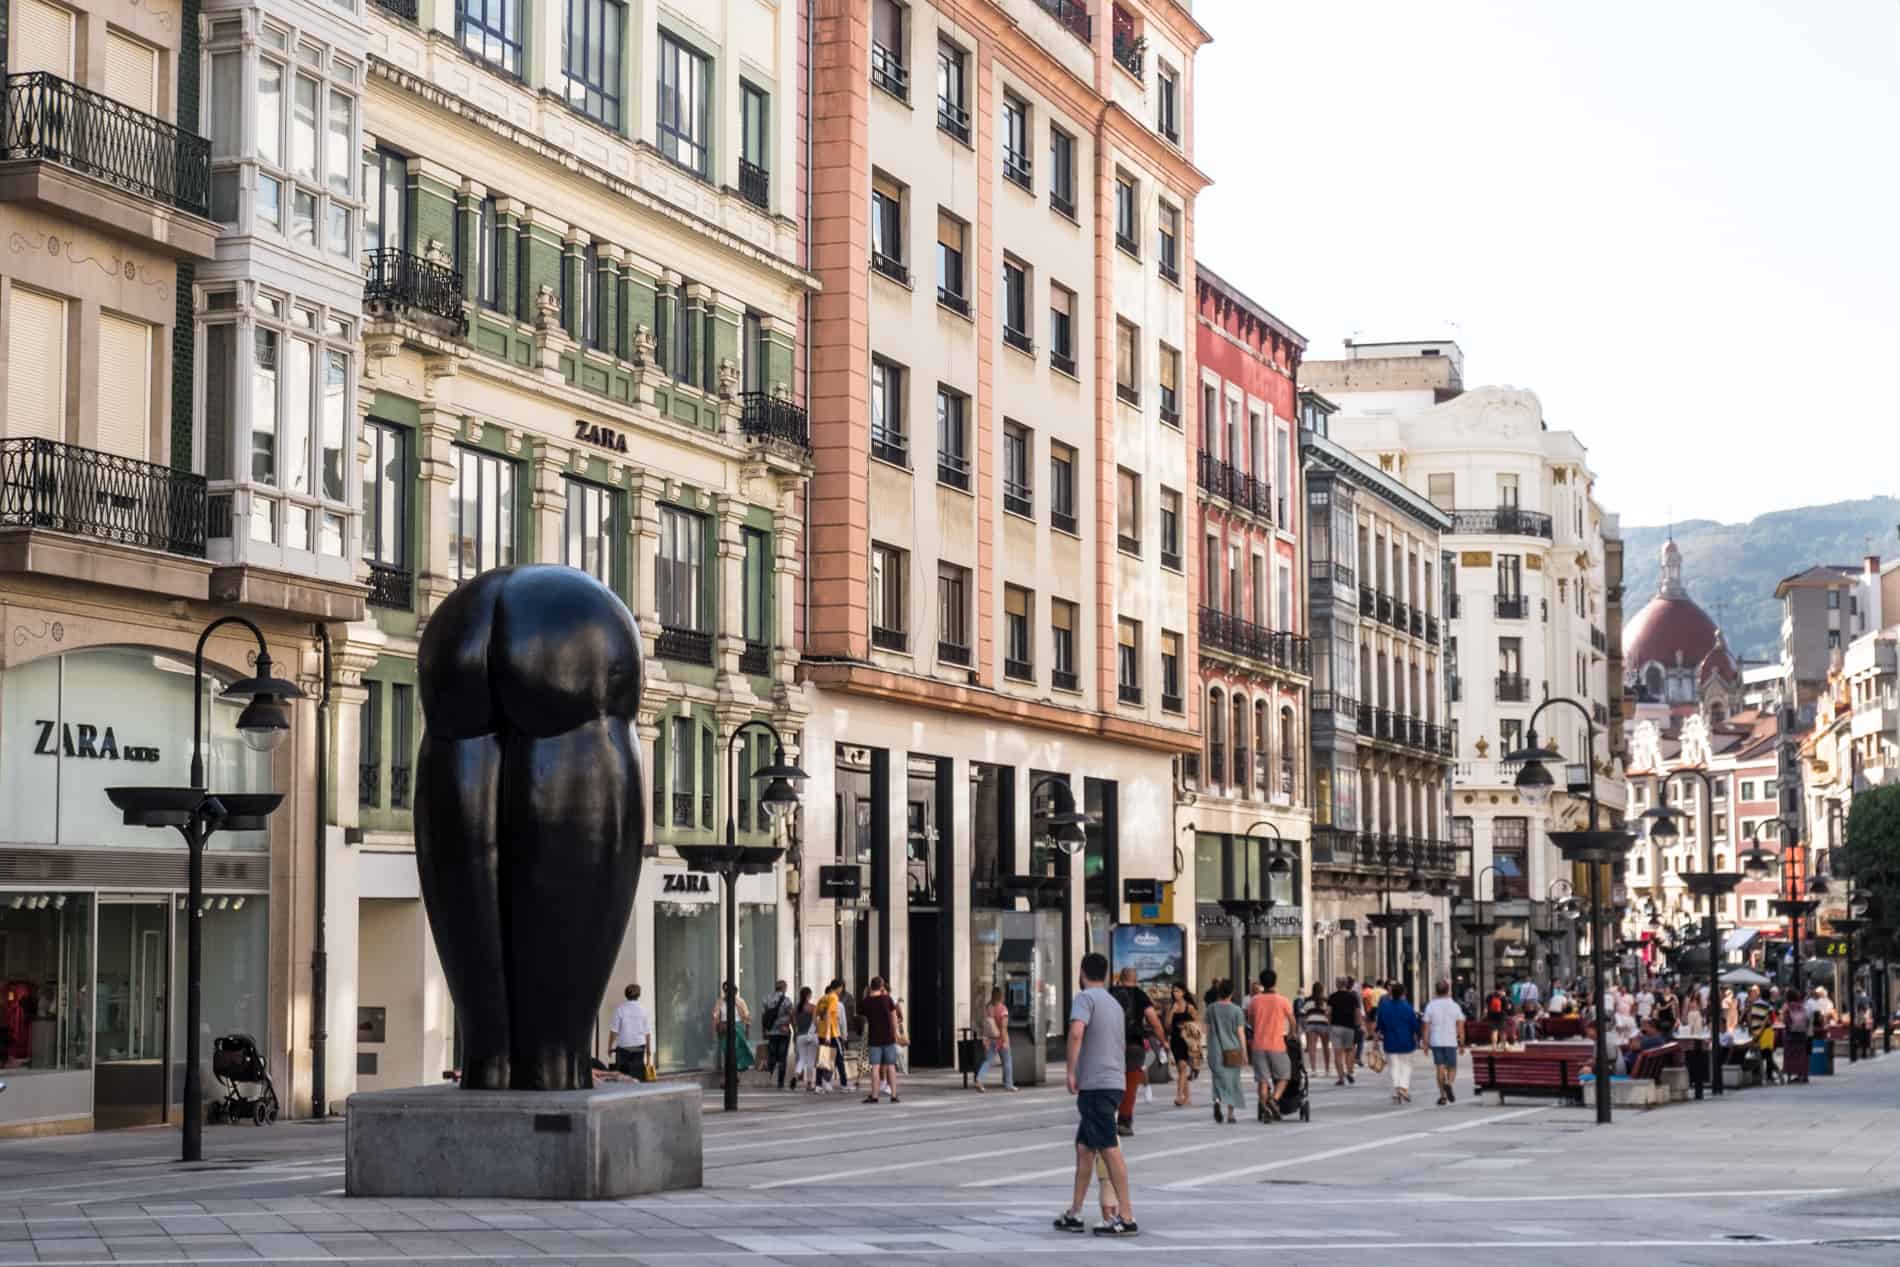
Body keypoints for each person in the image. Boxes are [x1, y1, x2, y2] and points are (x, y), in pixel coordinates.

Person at [1054, 952, 1138, 1238]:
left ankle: (1126, 1216)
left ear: (1081, 972)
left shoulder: (1084, 998)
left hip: (1096, 1085)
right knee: (1084, 1148)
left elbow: (1076, 1033)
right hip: (1113, 1081)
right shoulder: (1114, 1003)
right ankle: (1074, 1213)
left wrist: (1070, 1070)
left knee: (1108, 1148)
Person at [1110, 968, 1167, 1136]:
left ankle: (1106, 1119)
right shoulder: (1141, 996)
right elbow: (1154, 1022)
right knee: (1130, 1086)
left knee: (1109, 1082)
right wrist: (1163, 1041)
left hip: (1111, 1045)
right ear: (1136, 980)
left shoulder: (1110, 994)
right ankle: (1124, 1122)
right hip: (1134, 1046)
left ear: (1120, 979)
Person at [1244, 969, 1297, 1122]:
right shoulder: (1282, 1000)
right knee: (1284, 1075)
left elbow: (1251, 1021)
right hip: (1277, 1045)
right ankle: (1274, 1099)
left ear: (1261, 983)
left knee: (1262, 1080)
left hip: (1258, 1045)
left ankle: (1265, 1109)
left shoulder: (1255, 1001)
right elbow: (1292, 1020)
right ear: (1275, 981)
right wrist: (1292, 1034)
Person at [1202, 979, 1246, 1125]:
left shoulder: (1211, 1009)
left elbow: (1207, 1031)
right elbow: (1240, 1033)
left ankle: (1216, 1101)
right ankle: (1231, 1115)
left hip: (1215, 1049)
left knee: (1217, 1080)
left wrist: (1207, 1048)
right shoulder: (1236, 1010)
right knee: (1232, 1081)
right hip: (1232, 1050)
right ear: (1232, 993)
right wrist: (1245, 1053)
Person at [858, 976, 904, 1103]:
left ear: (870, 986)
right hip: (888, 1037)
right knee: (891, 1066)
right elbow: (894, 1017)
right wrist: (895, 1034)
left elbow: (862, 1016)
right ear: (882, 986)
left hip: (874, 1037)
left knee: (875, 1067)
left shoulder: (866, 1001)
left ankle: (875, 1095)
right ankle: (894, 1095)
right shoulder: (887, 999)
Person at [1374, 982, 1421, 1104]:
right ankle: (1403, 1088)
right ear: (1403, 994)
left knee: (1393, 1067)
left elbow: (1379, 1026)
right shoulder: (1407, 1007)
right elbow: (1414, 1025)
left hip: (1390, 1041)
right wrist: (1417, 1037)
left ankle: (1396, 1092)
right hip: (1406, 1041)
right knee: (1406, 1066)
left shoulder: (1384, 1007)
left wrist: (1375, 1041)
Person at [1422, 980, 1466, 1106]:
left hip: (1436, 1041)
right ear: (1448, 990)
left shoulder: (1430, 1006)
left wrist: (1425, 1043)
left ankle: (1442, 1096)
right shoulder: (1455, 1006)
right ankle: (1449, 1083)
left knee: (1440, 1067)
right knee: (1452, 1066)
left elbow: (1426, 1026)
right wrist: (1462, 1043)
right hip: (1451, 1040)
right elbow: (1460, 1027)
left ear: (1436, 991)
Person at [974, 987, 1017, 1092]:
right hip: (1000, 1038)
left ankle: (979, 1080)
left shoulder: (988, 1007)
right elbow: (1003, 1027)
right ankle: (1009, 1084)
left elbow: (986, 1024)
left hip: (990, 1038)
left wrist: (985, 1038)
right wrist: (1005, 1041)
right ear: (1001, 996)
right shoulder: (1003, 1009)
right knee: (1007, 1061)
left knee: (988, 1061)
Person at [1165, 982, 1200, 1106]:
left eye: (1178, 991)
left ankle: (1180, 1096)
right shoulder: (1171, 1006)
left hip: (1187, 1041)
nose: (1175, 994)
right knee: (1182, 1068)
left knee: (1183, 1067)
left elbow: (1197, 1023)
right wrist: (1172, 1012)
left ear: (1183, 992)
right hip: (1176, 1040)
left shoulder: (1189, 1007)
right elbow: (1167, 1026)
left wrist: (1186, 1026)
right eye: (1174, 991)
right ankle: (1186, 1097)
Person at [610, 983, 652, 1079]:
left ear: (626, 994)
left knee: (623, 1073)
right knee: (637, 1072)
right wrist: (648, 1050)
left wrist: (610, 1046)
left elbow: (614, 1031)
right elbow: (647, 1033)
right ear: (639, 995)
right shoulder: (644, 1010)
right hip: (639, 1046)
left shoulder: (619, 1009)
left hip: (623, 1047)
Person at [1327, 976, 1362, 1086]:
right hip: (1349, 1027)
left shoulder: (1332, 997)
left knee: (1338, 1053)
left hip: (1336, 1027)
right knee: (1350, 1050)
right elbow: (1357, 1012)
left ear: (1337, 984)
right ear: (1346, 984)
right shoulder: (1352, 996)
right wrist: (1358, 1025)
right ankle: (1350, 1072)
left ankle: (1341, 1078)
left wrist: (1329, 1025)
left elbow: (1328, 1012)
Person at [814, 979, 847, 1093]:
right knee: (839, 1059)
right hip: (832, 1033)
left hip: (821, 1034)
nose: (841, 990)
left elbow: (816, 1016)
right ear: (838, 987)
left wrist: (819, 1029)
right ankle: (844, 1084)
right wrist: (828, 1032)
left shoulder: (822, 998)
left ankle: (818, 1085)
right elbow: (828, 1013)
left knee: (822, 1059)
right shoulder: (833, 998)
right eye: (841, 988)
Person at [712, 982, 753, 1075]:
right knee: (727, 1052)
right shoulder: (720, 1002)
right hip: (724, 1028)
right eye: (726, 991)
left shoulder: (740, 1001)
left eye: (732, 991)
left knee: (736, 1051)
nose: (728, 993)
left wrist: (747, 1029)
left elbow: (746, 1016)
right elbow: (715, 1017)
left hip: (737, 1027)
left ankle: (735, 1075)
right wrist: (714, 1030)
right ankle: (730, 1076)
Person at [760, 979, 793, 1090]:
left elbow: (764, 1016)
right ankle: (780, 1083)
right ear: (784, 988)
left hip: (771, 1031)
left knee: (772, 1056)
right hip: (783, 1031)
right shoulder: (787, 1000)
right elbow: (791, 1015)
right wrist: (793, 1028)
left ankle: (768, 1079)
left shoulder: (767, 998)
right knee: (782, 1058)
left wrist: (764, 1030)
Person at [1302, 981, 1333, 1078]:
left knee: (1312, 1048)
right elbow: (1329, 1013)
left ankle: (1313, 1070)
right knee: (1325, 1047)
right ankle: (1327, 1070)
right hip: (1323, 1024)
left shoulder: (1307, 1000)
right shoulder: (1326, 1000)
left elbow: (1304, 1012)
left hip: (1311, 1024)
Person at [791, 986, 819, 1091]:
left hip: (800, 1036)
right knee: (811, 1060)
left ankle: (795, 1076)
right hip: (810, 1035)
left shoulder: (795, 1008)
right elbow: (814, 1022)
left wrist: (795, 1032)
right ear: (808, 995)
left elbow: (793, 1022)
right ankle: (809, 1083)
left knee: (801, 1059)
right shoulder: (812, 1007)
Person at [1782, 990, 1811, 1084]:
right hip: (1802, 1034)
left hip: (1790, 1034)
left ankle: (1790, 1077)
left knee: (1790, 1055)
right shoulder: (1801, 1006)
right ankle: (1802, 1075)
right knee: (1801, 1055)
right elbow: (1807, 1020)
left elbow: (1785, 1020)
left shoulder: (1787, 1007)